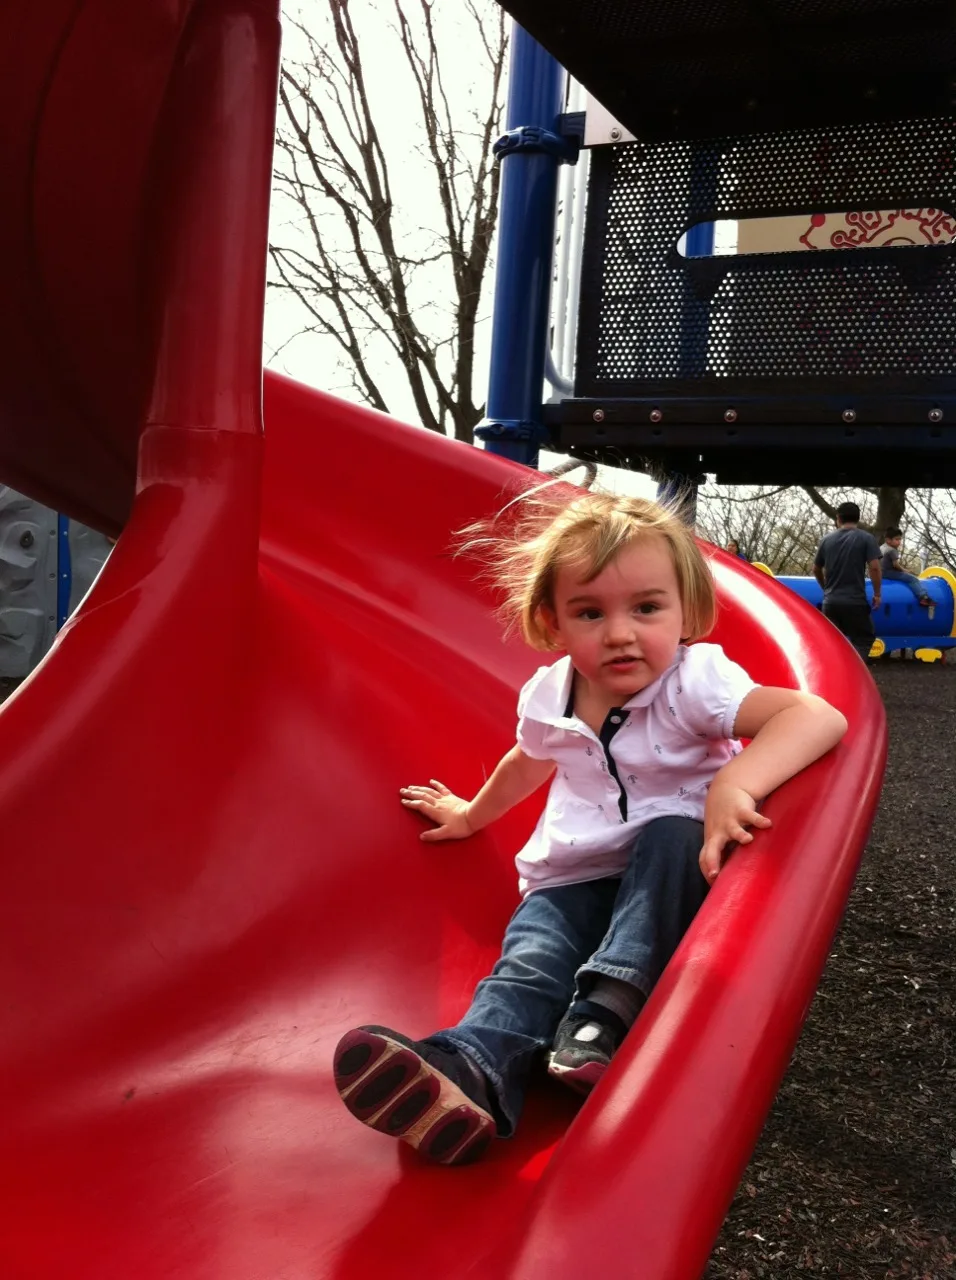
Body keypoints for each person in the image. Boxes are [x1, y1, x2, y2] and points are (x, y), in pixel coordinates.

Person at [333, 487, 848, 1166]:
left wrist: (735, 781)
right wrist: (469, 814)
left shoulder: (695, 682)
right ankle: (470, 1070)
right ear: (552, 623)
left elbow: (818, 717)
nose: (620, 633)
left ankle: (600, 1021)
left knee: (670, 832)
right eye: (589, 612)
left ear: (687, 613)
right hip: (571, 874)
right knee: (529, 965)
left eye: (646, 608)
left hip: (673, 877)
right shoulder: (550, 693)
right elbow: (528, 762)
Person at [813, 502, 882, 662]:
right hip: (855, 602)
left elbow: (816, 569)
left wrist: (826, 589)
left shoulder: (826, 540)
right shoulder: (866, 538)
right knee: (864, 639)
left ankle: (833, 676)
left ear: (838, 518)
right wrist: (877, 594)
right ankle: (853, 673)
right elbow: (875, 568)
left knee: (832, 642)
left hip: (830, 603)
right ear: (858, 518)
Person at [880, 527, 931, 607]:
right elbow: (895, 565)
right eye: (896, 539)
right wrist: (904, 570)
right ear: (888, 540)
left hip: (880, 573)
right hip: (888, 573)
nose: (899, 542)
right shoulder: (892, 550)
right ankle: (923, 597)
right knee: (912, 579)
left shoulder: (882, 547)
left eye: (900, 539)